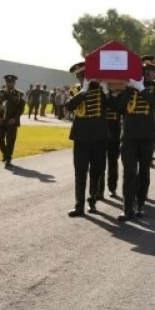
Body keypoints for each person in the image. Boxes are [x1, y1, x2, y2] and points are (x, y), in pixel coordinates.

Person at [117, 59, 155, 221]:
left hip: (147, 137)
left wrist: (141, 88)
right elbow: (119, 107)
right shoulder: (129, 86)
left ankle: (141, 203)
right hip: (129, 136)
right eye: (146, 70)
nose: (149, 73)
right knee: (129, 173)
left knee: (144, 172)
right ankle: (127, 208)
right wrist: (129, 89)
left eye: (152, 70)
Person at [65, 63, 108, 217]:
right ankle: (79, 206)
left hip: (98, 137)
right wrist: (83, 91)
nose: (83, 78)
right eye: (80, 76)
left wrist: (105, 90)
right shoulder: (76, 91)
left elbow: (110, 106)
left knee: (96, 171)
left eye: (85, 75)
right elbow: (69, 106)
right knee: (80, 172)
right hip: (81, 137)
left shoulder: (100, 89)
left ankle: (92, 201)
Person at [0, 74, 26, 169]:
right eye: (7, 82)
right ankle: (5, 154)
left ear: (14, 83)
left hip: (12, 121)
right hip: (1, 120)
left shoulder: (19, 94)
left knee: (10, 140)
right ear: (5, 82)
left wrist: (15, 118)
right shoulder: (0, 93)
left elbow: (21, 108)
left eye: (11, 82)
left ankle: (8, 158)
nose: (9, 84)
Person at [103, 85, 122, 199]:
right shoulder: (101, 91)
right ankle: (99, 190)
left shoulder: (120, 94)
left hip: (114, 130)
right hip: (101, 129)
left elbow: (118, 108)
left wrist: (111, 95)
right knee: (99, 163)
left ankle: (112, 188)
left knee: (113, 162)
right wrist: (106, 92)